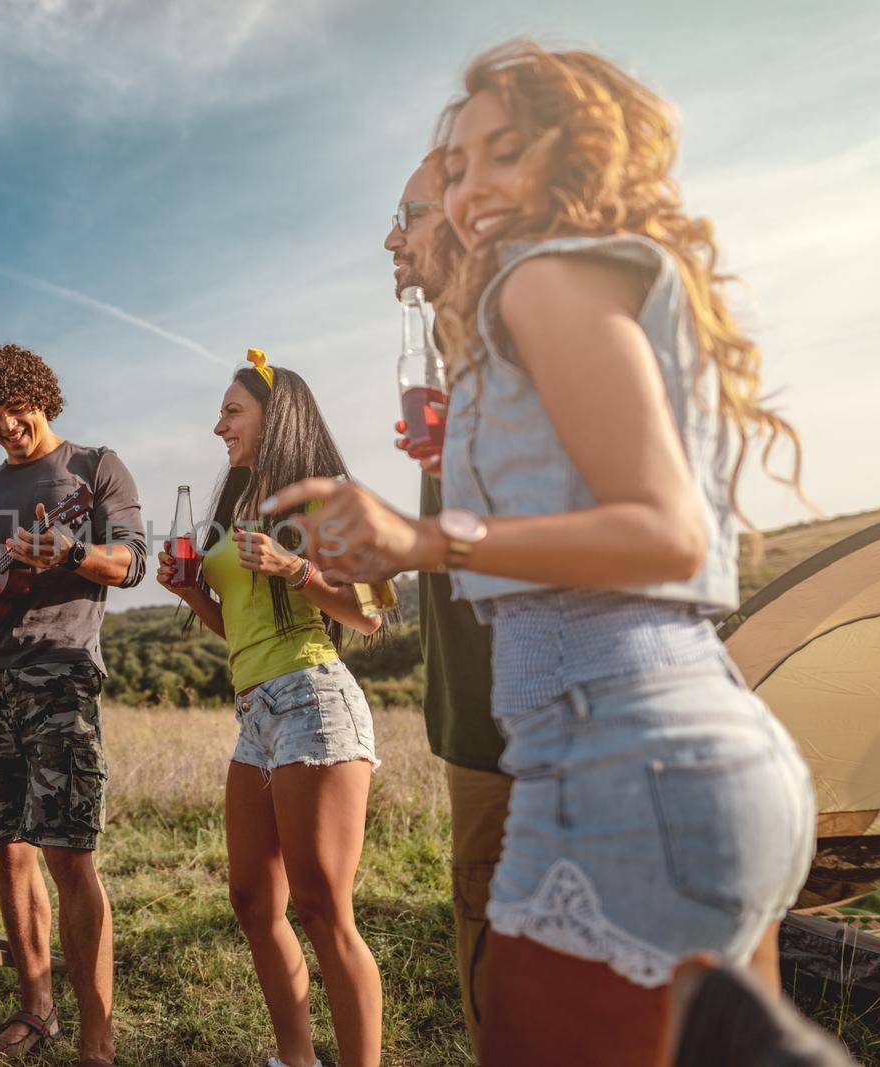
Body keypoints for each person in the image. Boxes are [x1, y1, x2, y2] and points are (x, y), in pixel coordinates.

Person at [265, 41, 814, 1066]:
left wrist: (423, 534)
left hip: (622, 759)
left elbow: (667, 530)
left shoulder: (538, 278)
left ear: (573, 156)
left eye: (502, 153)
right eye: (459, 165)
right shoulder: (585, 288)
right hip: (685, 749)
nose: (470, 189)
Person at [155, 351, 389, 1067]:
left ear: (273, 412)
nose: (218, 424)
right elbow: (239, 630)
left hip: (315, 701)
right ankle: (295, 1060)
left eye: (232, 410)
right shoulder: (233, 503)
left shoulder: (321, 498)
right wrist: (191, 591)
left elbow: (369, 613)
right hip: (254, 710)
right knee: (253, 900)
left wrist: (297, 568)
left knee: (322, 907)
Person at [0, 343, 145, 1067]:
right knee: (10, 850)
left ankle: (97, 1035)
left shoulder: (95, 466)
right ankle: (36, 1009)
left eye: (15, 409)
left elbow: (130, 561)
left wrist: (69, 554)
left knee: (69, 851)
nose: (6, 426)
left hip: (60, 677)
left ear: (42, 396)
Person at [382, 157, 506, 1056]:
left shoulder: (526, 339)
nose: (390, 238)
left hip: (542, 729)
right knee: (490, 955)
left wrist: (402, 543)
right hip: (475, 725)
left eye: (408, 215)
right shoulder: (457, 355)